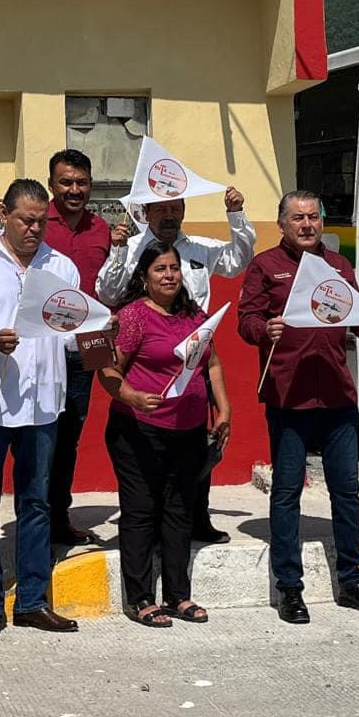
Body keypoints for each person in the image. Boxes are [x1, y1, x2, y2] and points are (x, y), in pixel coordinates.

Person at [239, 191, 359, 625]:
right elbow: (245, 321)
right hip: (288, 396)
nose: (307, 224)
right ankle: (289, 587)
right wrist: (264, 327)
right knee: (287, 492)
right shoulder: (265, 266)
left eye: (313, 217)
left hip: (336, 396)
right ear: (282, 224)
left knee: (346, 492)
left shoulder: (339, 266)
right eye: (298, 218)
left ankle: (351, 581)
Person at [0, 178, 81, 644]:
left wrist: (96, 331)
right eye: (26, 220)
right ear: (3, 214)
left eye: (42, 222)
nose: (35, 229)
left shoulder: (61, 266)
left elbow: (69, 336)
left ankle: (32, 601)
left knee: (37, 503)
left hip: (43, 404)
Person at [97, 184, 255, 544]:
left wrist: (236, 214)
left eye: (175, 208)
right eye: (161, 209)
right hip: (148, 360)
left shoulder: (199, 247)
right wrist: (117, 250)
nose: (169, 215)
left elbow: (238, 260)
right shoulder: (131, 248)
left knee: (198, 444)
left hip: (195, 360)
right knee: (146, 450)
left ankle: (197, 518)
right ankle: (148, 522)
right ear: (145, 213)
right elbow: (107, 292)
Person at [99, 243, 230, 626]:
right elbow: (108, 369)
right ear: (144, 277)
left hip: (188, 432)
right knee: (141, 513)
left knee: (179, 513)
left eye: (174, 268)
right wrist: (132, 397)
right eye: (160, 269)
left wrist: (224, 409)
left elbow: (213, 363)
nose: (170, 275)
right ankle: (141, 597)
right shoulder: (133, 317)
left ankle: (178, 595)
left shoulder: (194, 315)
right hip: (138, 432)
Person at [42, 148, 113, 547]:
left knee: (71, 433)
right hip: (44, 344)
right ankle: (36, 516)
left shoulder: (101, 228)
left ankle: (58, 517)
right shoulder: (37, 223)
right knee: (41, 432)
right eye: (66, 182)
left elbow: (109, 285)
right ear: (52, 184)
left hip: (88, 344)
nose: (74, 189)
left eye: (81, 183)